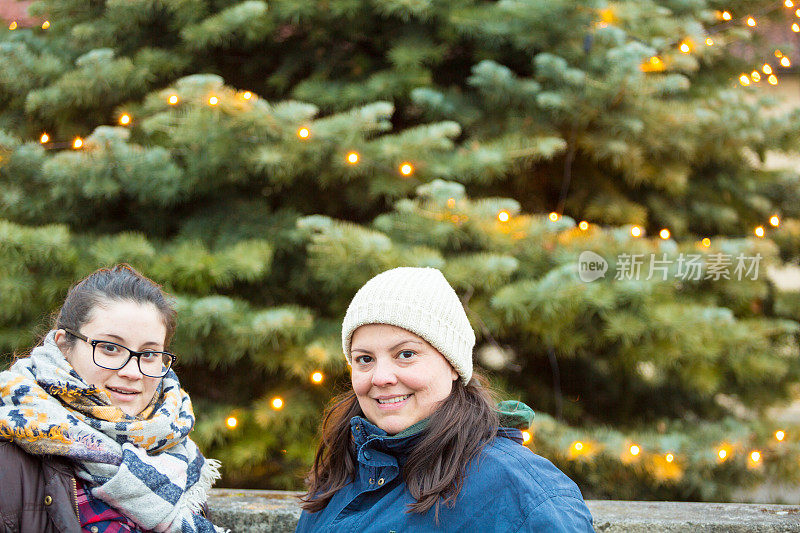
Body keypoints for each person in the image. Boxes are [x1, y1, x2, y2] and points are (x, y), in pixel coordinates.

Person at [297, 267, 594, 532]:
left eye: (406, 354)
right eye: (365, 359)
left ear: (452, 364)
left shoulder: (520, 487)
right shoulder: (345, 467)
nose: (380, 377)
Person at [0, 265, 226, 533]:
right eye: (109, 348)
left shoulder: (176, 452)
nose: (132, 372)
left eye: (150, 354)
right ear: (63, 345)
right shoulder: (8, 456)